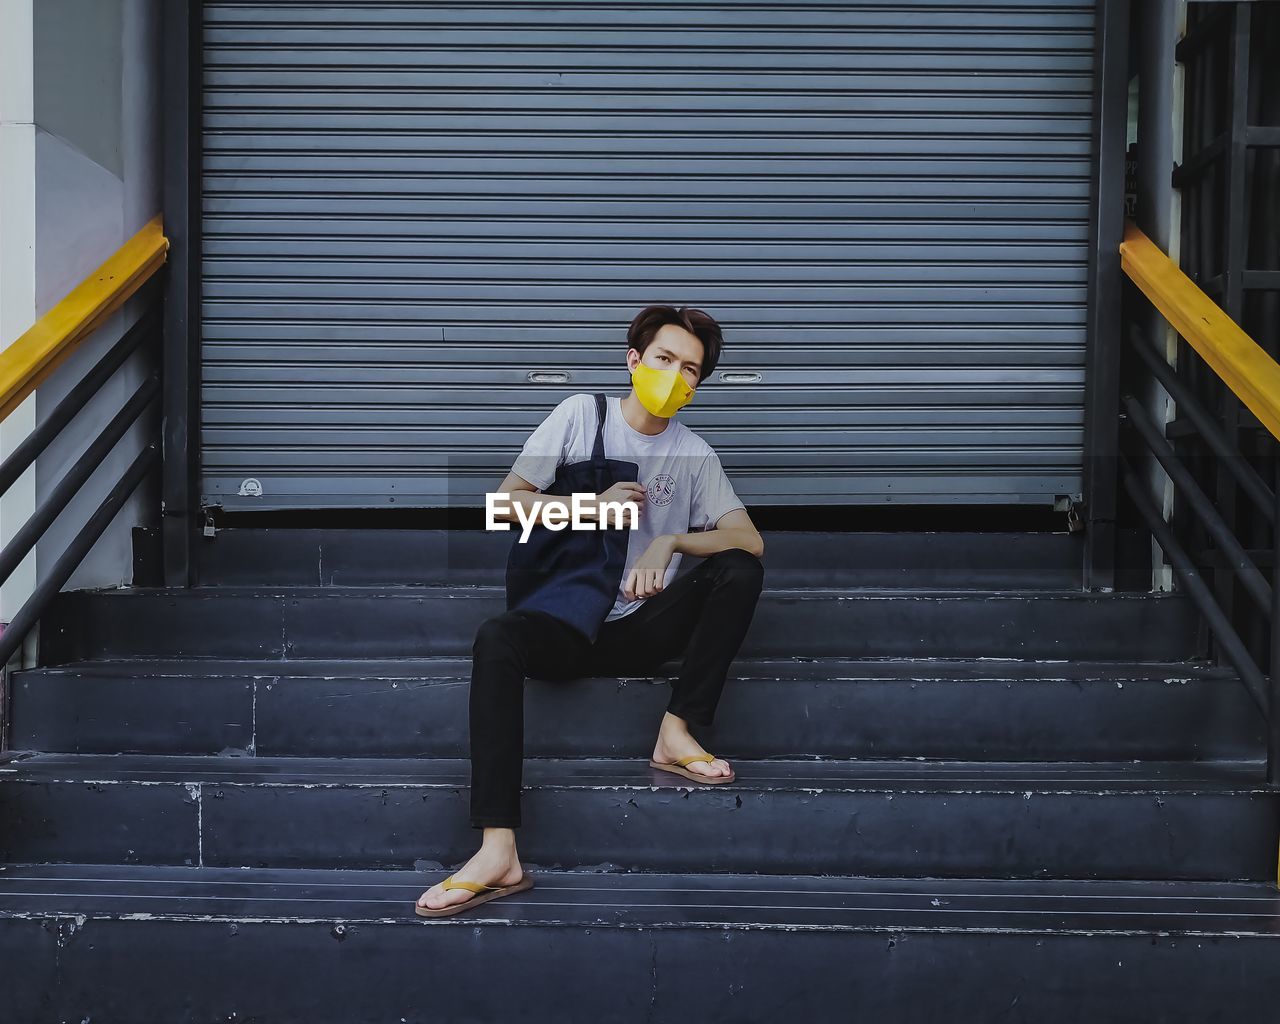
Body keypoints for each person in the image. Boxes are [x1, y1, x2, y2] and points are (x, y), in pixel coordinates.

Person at [416, 305, 765, 917]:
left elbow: (748, 539)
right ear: (633, 360)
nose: (675, 376)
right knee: (497, 639)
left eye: (691, 370)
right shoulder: (582, 415)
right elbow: (504, 507)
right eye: (664, 359)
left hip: (641, 625)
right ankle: (499, 848)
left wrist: (671, 541)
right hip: (566, 619)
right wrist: (592, 504)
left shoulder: (693, 454)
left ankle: (676, 730)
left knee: (740, 569)